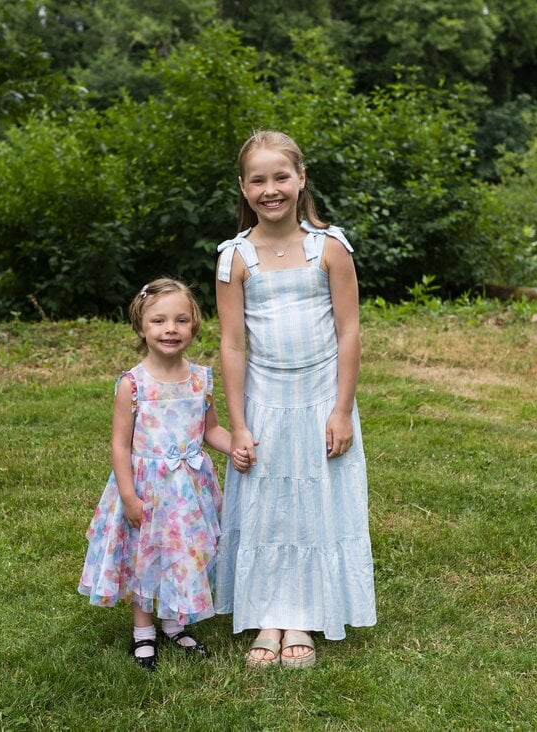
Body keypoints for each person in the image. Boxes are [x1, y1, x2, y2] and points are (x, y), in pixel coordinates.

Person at [215, 130, 377, 669]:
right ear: (243, 187)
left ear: (301, 179)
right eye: (257, 180)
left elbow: (349, 332)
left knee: (314, 505)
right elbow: (233, 344)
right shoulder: (233, 257)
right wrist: (237, 423)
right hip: (263, 402)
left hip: (318, 399)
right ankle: (268, 615)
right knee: (267, 507)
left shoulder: (329, 249)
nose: (270, 189)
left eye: (280, 177)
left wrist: (341, 410)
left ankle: (304, 614)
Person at [78, 278, 251, 671]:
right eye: (158, 321)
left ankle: (176, 622)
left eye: (180, 320)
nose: (170, 329)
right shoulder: (133, 384)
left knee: (184, 554)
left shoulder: (201, 379)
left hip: (189, 490)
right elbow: (121, 445)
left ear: (194, 325)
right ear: (141, 327)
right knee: (146, 558)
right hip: (147, 488)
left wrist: (235, 446)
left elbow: (209, 431)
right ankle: (144, 633)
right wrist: (127, 495)